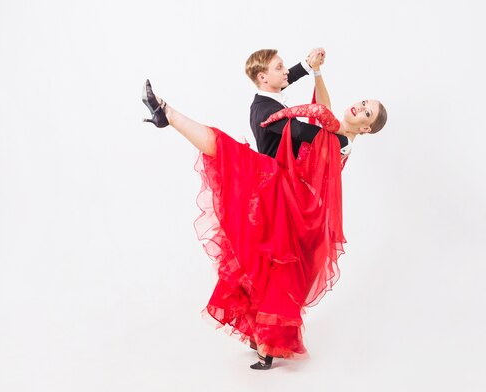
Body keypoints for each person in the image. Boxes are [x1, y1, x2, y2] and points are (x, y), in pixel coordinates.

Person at [141, 58, 387, 371]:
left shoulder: (341, 143)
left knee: (228, 154)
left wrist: (289, 111)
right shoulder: (337, 134)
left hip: (288, 201)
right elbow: (325, 112)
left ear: (366, 127)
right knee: (227, 153)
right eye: (364, 102)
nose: (359, 107)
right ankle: (167, 113)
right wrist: (317, 73)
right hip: (281, 188)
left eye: (366, 112)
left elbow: (318, 118)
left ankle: (268, 344)